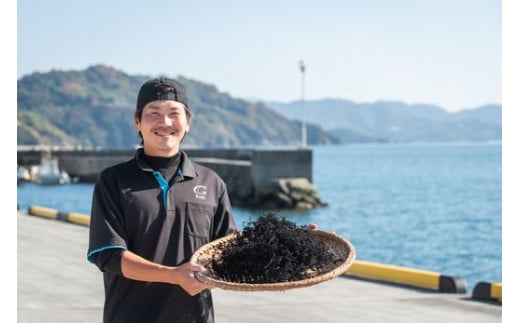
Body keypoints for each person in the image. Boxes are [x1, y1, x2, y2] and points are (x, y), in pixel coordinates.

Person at [87, 77, 237, 323]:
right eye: (153, 113)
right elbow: (109, 255)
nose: (164, 122)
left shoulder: (212, 183)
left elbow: (229, 253)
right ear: (137, 122)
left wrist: (291, 242)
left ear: (187, 122)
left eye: (174, 113)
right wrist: (174, 275)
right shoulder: (113, 181)